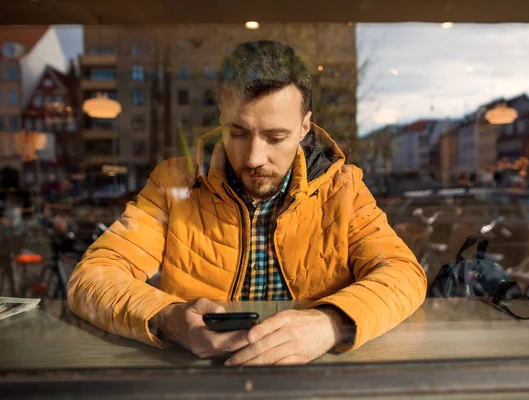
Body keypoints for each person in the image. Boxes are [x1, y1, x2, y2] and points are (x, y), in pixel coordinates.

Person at [67, 41, 426, 366]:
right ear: (221, 118)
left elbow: (403, 274)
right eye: (237, 133)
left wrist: (331, 323)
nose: (254, 157)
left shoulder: (342, 188)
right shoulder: (173, 183)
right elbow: (92, 278)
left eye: (275, 137)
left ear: (304, 128)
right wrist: (168, 317)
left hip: (316, 376)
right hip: (198, 380)